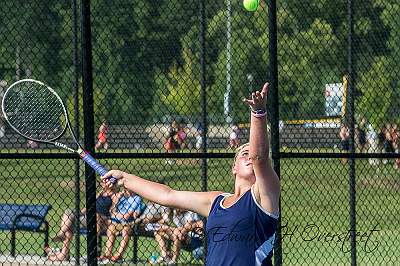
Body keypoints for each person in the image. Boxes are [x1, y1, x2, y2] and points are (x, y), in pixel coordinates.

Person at [102, 82, 280, 265]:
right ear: (233, 167)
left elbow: (260, 157)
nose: (250, 156)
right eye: (244, 154)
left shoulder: (264, 195)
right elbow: (167, 195)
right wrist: (124, 178)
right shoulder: (216, 201)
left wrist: (258, 113)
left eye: (251, 153)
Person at [45, 182, 115, 261]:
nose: (103, 184)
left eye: (105, 182)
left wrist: (102, 216)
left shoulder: (114, 196)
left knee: (96, 216)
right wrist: (80, 213)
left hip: (103, 221)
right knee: (69, 214)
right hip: (89, 218)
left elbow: (113, 213)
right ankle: (62, 238)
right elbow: (89, 206)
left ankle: (63, 252)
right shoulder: (100, 193)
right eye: (103, 182)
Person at [100, 188, 143, 262]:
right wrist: (117, 198)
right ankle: (107, 254)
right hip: (117, 222)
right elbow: (111, 211)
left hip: (129, 223)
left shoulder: (137, 198)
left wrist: (116, 214)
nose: (126, 190)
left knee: (125, 231)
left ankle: (119, 255)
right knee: (110, 229)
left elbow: (127, 216)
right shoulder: (121, 197)